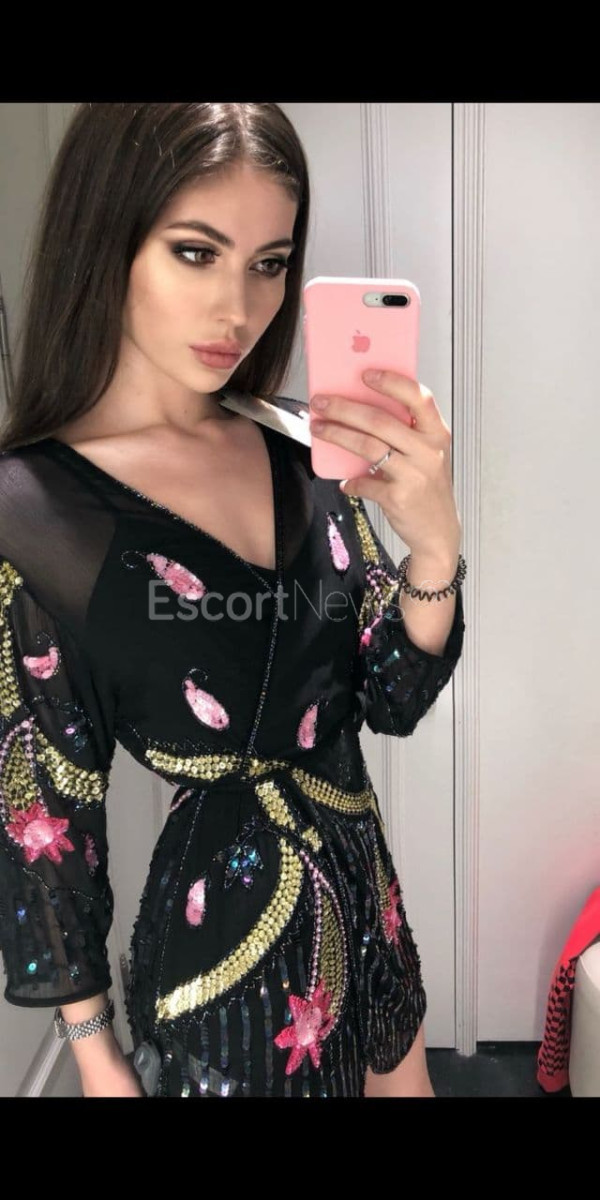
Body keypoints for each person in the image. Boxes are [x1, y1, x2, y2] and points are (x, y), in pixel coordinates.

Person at [0, 102, 466, 1098]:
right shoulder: (32, 511)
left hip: (370, 915)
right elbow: (46, 820)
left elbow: (390, 695)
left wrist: (436, 544)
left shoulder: (298, 444)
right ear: (107, 240)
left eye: (269, 263)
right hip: (229, 973)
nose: (238, 309)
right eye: (196, 252)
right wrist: (96, 1057)